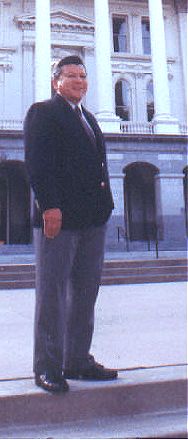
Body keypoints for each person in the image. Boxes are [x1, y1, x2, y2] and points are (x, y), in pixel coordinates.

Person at [24, 55, 118, 393]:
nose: (80, 81)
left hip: (93, 220)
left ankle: (77, 360)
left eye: (83, 75)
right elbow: (37, 163)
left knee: (84, 293)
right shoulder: (44, 113)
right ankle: (47, 366)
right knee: (52, 294)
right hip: (59, 220)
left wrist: (106, 207)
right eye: (72, 76)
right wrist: (49, 205)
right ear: (56, 82)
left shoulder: (89, 119)